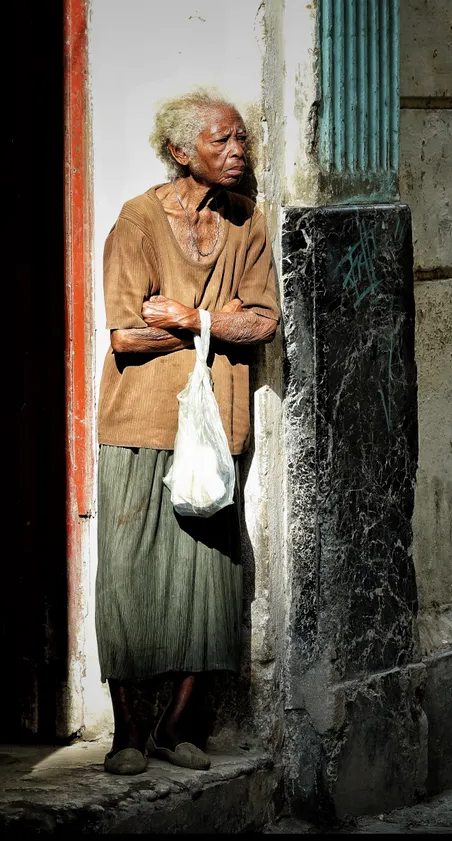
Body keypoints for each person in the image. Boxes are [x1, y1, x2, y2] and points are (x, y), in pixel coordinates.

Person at [95, 87, 279, 775]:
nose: (238, 153)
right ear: (180, 151)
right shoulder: (137, 222)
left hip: (214, 427)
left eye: (241, 141)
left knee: (207, 582)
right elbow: (124, 334)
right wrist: (211, 322)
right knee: (131, 578)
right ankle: (125, 734)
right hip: (139, 421)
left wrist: (184, 318)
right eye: (221, 142)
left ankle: (178, 728)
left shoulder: (246, 223)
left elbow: (262, 321)